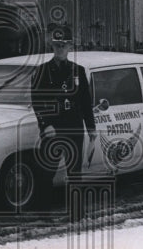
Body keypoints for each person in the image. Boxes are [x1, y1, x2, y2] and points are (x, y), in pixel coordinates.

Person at [30, 23, 96, 179]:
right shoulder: (42, 71)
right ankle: (45, 203)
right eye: (57, 46)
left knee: (75, 174)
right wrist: (45, 124)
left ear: (70, 47)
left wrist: (91, 128)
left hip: (74, 127)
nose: (60, 49)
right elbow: (37, 102)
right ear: (52, 47)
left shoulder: (78, 71)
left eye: (63, 45)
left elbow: (86, 102)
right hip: (53, 127)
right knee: (46, 174)